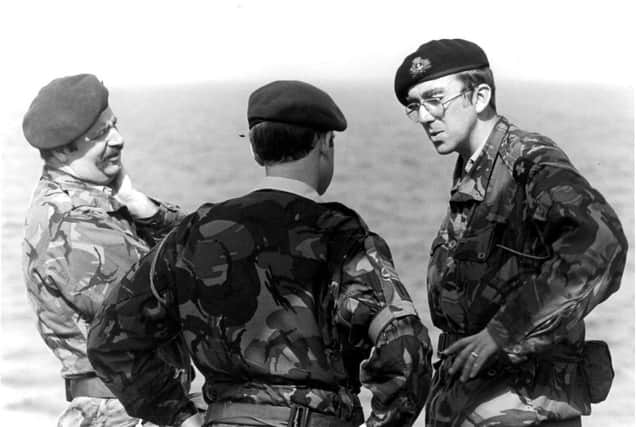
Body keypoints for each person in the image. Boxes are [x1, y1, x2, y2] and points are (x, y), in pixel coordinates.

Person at [87, 80, 433, 427]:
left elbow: (109, 339)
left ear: (255, 150)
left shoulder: (194, 232)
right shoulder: (340, 235)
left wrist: (179, 416)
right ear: (326, 144)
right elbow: (408, 350)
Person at [393, 39, 628, 426]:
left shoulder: (527, 160)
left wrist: (504, 333)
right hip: (475, 407)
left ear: (480, 95)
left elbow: (599, 245)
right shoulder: (474, 171)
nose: (425, 117)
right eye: (415, 106)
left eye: (435, 99)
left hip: (524, 409)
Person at [21, 74, 195, 427]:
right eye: (100, 135)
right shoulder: (73, 225)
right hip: (125, 412)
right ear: (64, 149)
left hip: (140, 407)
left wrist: (144, 207)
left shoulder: (100, 205)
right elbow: (179, 294)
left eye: (113, 125)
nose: (119, 140)